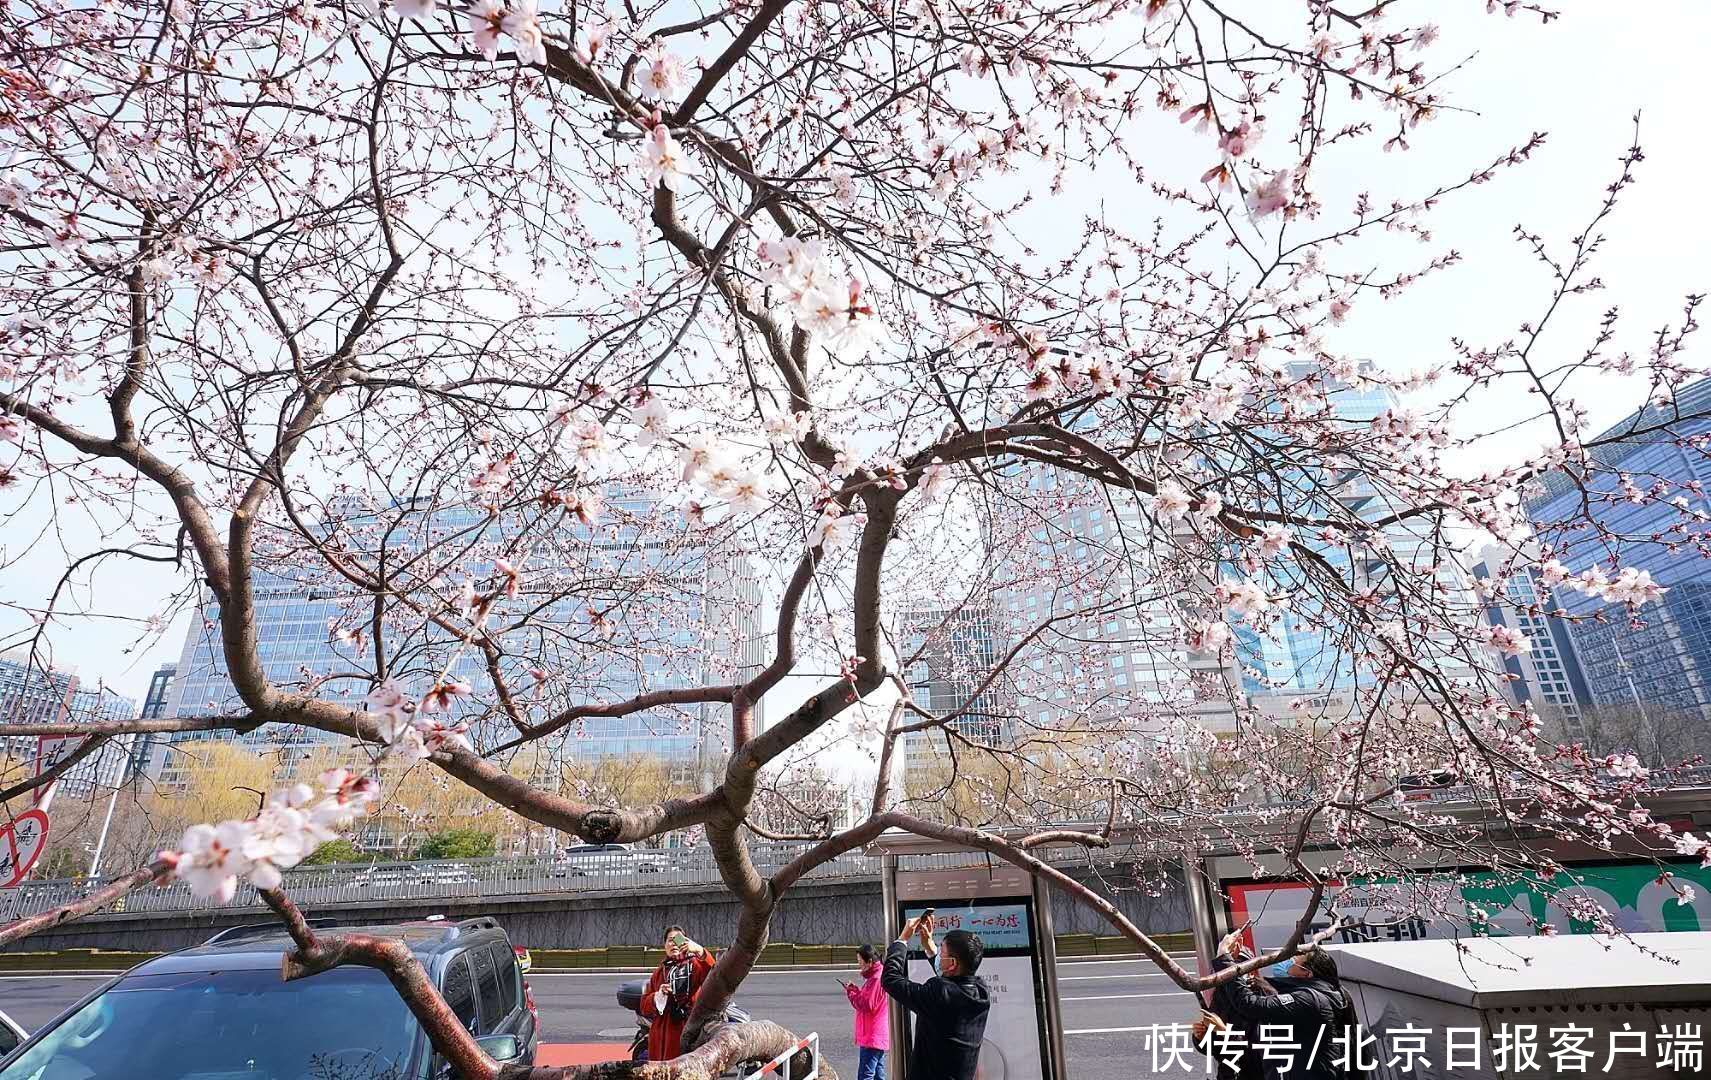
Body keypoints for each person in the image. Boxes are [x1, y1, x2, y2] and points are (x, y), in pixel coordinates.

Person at [1203, 932, 1360, 1080]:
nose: (1286, 964)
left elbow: (1250, 1004)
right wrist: (1232, 964)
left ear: (1307, 973)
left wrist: (1224, 958)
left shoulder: (1310, 999)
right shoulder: (1318, 993)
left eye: (1293, 962)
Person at [882, 914, 990, 1080]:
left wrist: (902, 939)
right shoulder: (981, 991)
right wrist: (929, 947)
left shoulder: (939, 992)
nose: (939, 954)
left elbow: (891, 980)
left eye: (942, 951)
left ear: (952, 963)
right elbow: (952, 981)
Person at [638, 925, 716, 1061]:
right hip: (659, 1037)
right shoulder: (659, 971)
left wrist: (700, 950)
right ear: (664, 945)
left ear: (685, 942)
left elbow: (715, 974)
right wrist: (658, 996)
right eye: (669, 940)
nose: (673, 943)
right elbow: (644, 1006)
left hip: (685, 1032)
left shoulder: (695, 965)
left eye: (677, 940)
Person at [842, 943, 890, 1080]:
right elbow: (869, 999)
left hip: (872, 1034)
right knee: (878, 1073)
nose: (859, 965)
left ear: (869, 962)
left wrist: (851, 993)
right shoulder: (877, 975)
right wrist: (856, 990)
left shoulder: (875, 978)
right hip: (877, 1034)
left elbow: (867, 1004)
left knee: (865, 1075)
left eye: (860, 962)